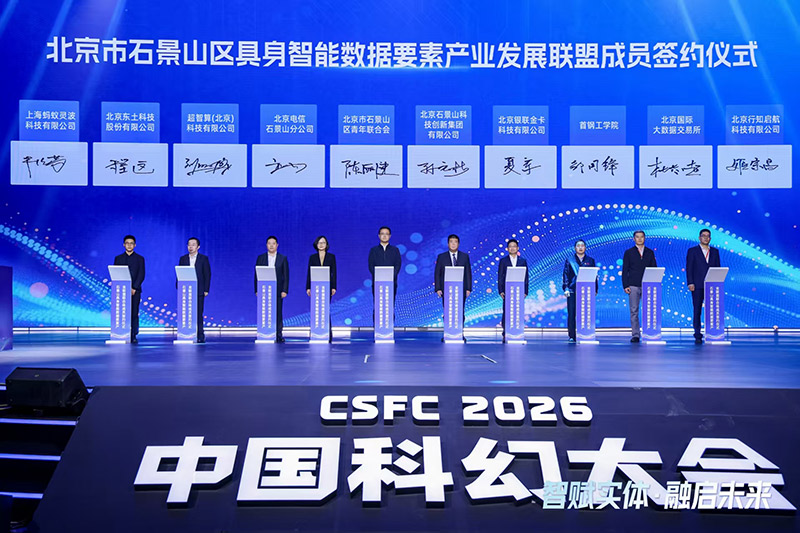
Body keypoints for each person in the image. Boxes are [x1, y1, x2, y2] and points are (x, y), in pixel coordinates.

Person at [686, 228, 721, 344]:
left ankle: (713, 332)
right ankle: (697, 334)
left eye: (708, 236)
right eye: (703, 236)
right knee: (697, 310)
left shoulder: (715, 251)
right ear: (699, 238)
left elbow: (717, 268)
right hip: (697, 285)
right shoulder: (692, 251)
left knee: (712, 310)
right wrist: (690, 282)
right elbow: (689, 268)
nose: (706, 238)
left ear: (710, 238)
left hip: (712, 286)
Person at [621, 230, 657, 343]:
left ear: (644, 238)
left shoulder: (650, 252)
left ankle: (649, 332)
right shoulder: (629, 252)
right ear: (634, 239)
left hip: (648, 285)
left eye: (642, 237)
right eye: (637, 237)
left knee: (648, 310)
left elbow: (654, 268)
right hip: (633, 285)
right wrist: (625, 285)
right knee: (634, 310)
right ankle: (635, 335)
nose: (640, 239)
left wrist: (654, 283)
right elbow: (625, 270)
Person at [434, 234, 472, 338]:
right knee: (448, 311)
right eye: (451, 242)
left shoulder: (464, 256)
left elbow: (468, 273)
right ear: (448, 244)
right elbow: (437, 273)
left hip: (461, 289)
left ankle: (459, 333)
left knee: (460, 311)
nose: (453, 244)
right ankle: (448, 333)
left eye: (455, 242)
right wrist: (438, 288)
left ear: (458, 244)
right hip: (446, 290)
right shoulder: (441, 257)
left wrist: (468, 288)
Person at [255, 236, 289, 343]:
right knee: (264, 312)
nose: (271, 245)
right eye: (269, 243)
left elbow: (286, 276)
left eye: (273, 243)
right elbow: (256, 275)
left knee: (278, 312)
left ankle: (278, 334)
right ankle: (264, 333)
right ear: (266, 245)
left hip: (278, 290)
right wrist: (256, 289)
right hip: (264, 290)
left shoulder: (282, 258)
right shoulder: (261, 258)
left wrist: (285, 290)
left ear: (277, 245)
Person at [562, 240, 597, 342]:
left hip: (586, 290)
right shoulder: (570, 260)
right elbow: (566, 275)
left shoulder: (590, 260)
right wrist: (566, 288)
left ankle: (586, 333)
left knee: (585, 313)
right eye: (578, 246)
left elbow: (594, 275)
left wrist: (595, 288)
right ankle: (572, 335)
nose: (580, 247)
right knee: (572, 313)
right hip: (572, 290)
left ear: (585, 247)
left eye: (582, 245)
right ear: (575, 248)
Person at [178, 237, 211, 343]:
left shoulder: (203, 259)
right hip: (186, 290)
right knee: (186, 313)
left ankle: (200, 334)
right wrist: (178, 286)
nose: (190, 247)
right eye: (189, 244)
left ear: (198, 247)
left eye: (193, 244)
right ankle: (186, 333)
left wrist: (206, 289)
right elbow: (180, 272)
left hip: (199, 290)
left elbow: (207, 274)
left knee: (198, 313)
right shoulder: (183, 259)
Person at [113, 235, 145, 344]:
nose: (129, 245)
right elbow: (116, 273)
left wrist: (134, 287)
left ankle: (133, 334)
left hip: (135, 291)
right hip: (121, 290)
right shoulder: (118, 258)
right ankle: (121, 333)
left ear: (135, 245)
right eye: (127, 243)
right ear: (124, 245)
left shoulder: (140, 259)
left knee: (134, 312)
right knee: (122, 312)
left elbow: (141, 274)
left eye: (131, 243)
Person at [497, 239, 529, 341]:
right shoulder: (503, 261)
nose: (512, 248)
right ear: (507, 248)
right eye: (510, 246)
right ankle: (505, 333)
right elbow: (500, 276)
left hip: (519, 290)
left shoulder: (522, 261)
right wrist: (501, 291)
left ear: (517, 248)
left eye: (514, 246)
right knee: (507, 311)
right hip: (507, 291)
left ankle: (518, 332)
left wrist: (525, 291)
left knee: (518, 311)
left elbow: (526, 277)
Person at [307, 235, 337, 341]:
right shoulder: (312, 257)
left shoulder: (331, 257)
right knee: (316, 310)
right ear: (316, 244)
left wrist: (334, 287)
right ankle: (315, 333)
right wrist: (308, 287)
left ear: (326, 245)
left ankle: (327, 333)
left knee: (325, 309)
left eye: (323, 242)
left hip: (327, 287)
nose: (321, 244)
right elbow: (309, 273)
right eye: (319, 243)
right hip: (315, 287)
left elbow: (334, 273)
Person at [368, 226, 401, 300]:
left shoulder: (395, 250)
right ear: (379, 235)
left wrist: (391, 275)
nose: (384, 236)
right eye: (382, 234)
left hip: (391, 281)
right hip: (377, 281)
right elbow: (371, 265)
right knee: (378, 303)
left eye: (387, 234)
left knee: (390, 302)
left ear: (390, 236)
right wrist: (378, 275)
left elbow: (398, 264)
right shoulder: (373, 250)